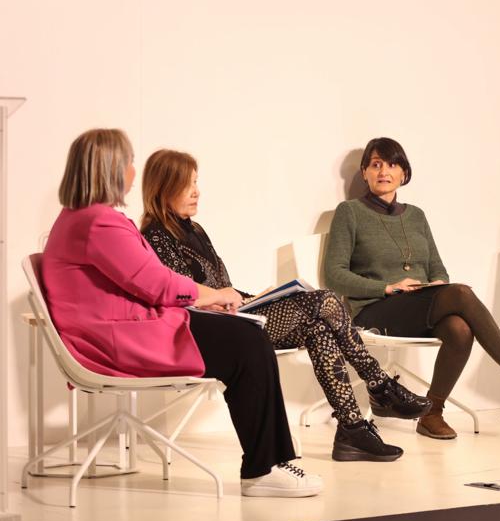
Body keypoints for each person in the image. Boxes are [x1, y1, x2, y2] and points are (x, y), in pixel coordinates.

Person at [41, 129, 321, 497]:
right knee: (248, 342)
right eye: (128, 163)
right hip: (122, 339)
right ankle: (263, 469)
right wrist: (212, 295)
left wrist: (212, 299)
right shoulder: (98, 223)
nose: (132, 171)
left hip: (126, 329)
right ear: (110, 169)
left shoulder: (79, 219)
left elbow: (144, 282)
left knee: (245, 336)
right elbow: (156, 282)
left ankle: (269, 463)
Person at [141, 149, 431, 463]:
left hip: (233, 316)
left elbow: (218, 287)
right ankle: (379, 385)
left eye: (196, 182)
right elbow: (183, 295)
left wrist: (254, 296)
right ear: (164, 187)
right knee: (326, 301)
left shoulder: (194, 230)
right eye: (188, 184)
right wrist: (234, 301)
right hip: (208, 331)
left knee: (320, 327)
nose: (197, 191)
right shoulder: (156, 236)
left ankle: (352, 429)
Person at [324, 137, 500, 440]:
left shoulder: (416, 215)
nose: (383, 171)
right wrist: (387, 287)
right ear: (364, 172)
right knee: (461, 293)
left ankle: (432, 413)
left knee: (459, 328)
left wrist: (437, 283)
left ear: (404, 173)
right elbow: (334, 275)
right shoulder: (350, 211)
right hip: (375, 311)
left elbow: (437, 267)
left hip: (416, 306)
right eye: (375, 165)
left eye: (391, 164)